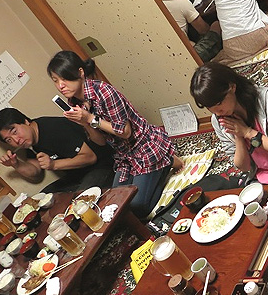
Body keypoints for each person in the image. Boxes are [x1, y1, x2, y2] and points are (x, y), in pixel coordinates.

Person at [47, 51, 177, 218]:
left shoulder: (103, 92)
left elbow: (125, 132)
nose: (60, 86)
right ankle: (160, 166)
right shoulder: (74, 102)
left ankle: (165, 161)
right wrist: (84, 124)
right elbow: (100, 141)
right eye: (56, 81)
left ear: (80, 72)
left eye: (64, 78)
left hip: (144, 146)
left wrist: (90, 118)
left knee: (138, 207)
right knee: (117, 204)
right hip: (124, 156)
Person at [191, 62, 268, 183]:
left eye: (219, 103)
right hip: (261, 177)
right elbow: (244, 167)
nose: (218, 112)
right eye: (210, 108)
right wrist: (238, 136)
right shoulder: (217, 120)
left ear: (232, 87)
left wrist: (248, 132)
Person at [0, 108, 115, 193]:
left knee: (82, 200)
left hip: (103, 166)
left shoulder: (52, 128)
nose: (16, 140)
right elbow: (35, 172)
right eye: (8, 140)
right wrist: (16, 164)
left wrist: (54, 164)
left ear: (25, 121)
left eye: (14, 131)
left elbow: (90, 157)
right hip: (77, 176)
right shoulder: (29, 141)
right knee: (44, 196)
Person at [144, 0, 223, 62]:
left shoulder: (148, 10)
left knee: (190, 40)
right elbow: (204, 29)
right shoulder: (179, 2)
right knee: (215, 25)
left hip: (166, 60)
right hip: (189, 58)